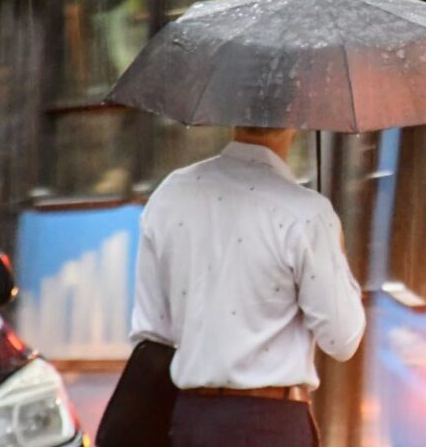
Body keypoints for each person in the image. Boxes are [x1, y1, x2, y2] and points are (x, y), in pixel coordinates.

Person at [129, 126, 366, 447]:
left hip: (189, 420)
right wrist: (337, 255)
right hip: (271, 426)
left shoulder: (171, 194)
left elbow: (153, 331)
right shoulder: (306, 214)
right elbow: (342, 340)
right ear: (294, 121)